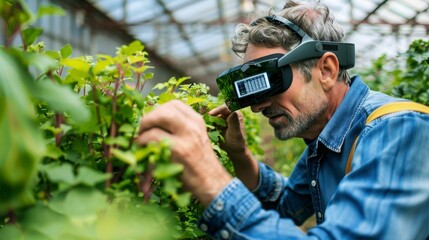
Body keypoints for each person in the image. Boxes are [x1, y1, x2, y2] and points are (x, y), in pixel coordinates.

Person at [137, 0, 429, 239]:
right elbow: (286, 206)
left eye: (270, 82)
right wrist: (239, 155)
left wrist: (210, 180)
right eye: (252, 91)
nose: (257, 106)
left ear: (326, 70)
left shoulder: (397, 130)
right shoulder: (324, 138)